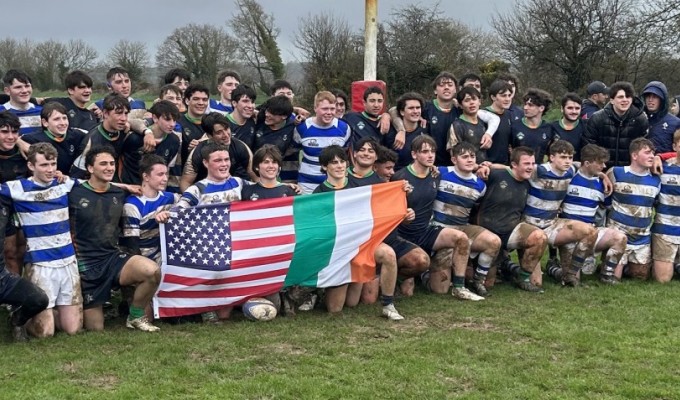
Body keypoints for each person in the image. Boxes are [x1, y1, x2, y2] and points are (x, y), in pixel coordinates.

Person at [69, 145, 161, 332]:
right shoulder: (73, 192)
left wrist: (125, 186)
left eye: (112, 163)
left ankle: (135, 316)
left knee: (151, 271)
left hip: (112, 257)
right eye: (103, 164)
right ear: (90, 168)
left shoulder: (119, 193)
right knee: (95, 328)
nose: (109, 167)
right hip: (86, 264)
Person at [313, 145, 405, 320]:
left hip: (363, 244)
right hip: (338, 251)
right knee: (337, 308)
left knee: (388, 255)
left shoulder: (357, 185)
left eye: (342, 162)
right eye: (334, 163)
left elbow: (382, 204)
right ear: (325, 167)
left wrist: (402, 194)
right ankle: (319, 292)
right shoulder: (319, 193)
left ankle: (388, 305)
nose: (339, 166)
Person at [0, 143, 83, 337]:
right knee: (45, 333)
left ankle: (53, 311)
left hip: (68, 261)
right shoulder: (16, 188)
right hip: (40, 263)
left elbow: (96, 184)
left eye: (53, 164)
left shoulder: (64, 183)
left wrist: (129, 186)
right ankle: (20, 317)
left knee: (72, 329)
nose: (50, 169)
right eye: (44, 165)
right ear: (31, 166)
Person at [391, 135, 482, 300]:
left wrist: (484, 167)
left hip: (426, 231)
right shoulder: (400, 177)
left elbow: (460, 170)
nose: (430, 155)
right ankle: (396, 277)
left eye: (433, 151)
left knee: (461, 238)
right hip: (403, 235)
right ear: (414, 154)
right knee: (409, 289)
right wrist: (403, 214)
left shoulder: (436, 174)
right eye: (425, 152)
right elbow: (389, 210)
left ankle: (459, 287)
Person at [519, 140, 598, 286]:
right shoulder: (538, 170)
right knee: (536, 283)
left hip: (551, 224)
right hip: (530, 225)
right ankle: (517, 271)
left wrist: (604, 177)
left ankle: (570, 274)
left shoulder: (571, 170)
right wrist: (486, 166)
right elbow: (513, 168)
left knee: (590, 232)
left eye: (570, 157)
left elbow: (587, 168)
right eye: (562, 157)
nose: (567, 161)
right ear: (552, 157)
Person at [432, 142, 501, 296]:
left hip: (462, 228)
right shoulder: (440, 173)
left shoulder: (480, 185)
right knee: (439, 290)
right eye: (464, 157)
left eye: (472, 156)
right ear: (454, 160)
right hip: (439, 229)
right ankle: (426, 273)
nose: (470, 160)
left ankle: (478, 281)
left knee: (493, 241)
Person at [475, 147, 548, 292]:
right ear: (514, 164)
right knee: (488, 284)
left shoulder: (529, 182)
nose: (530, 167)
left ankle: (523, 278)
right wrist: (482, 166)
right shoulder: (495, 174)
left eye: (533, 164)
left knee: (539, 237)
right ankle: (500, 267)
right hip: (487, 233)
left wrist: (602, 176)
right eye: (526, 163)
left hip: (510, 232)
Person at [554, 144, 627, 284]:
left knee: (620, 237)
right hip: (569, 233)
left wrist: (604, 177)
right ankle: (554, 270)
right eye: (600, 163)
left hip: (591, 232)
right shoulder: (570, 175)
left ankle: (607, 275)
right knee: (571, 280)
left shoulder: (602, 184)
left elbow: (608, 206)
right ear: (587, 163)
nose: (604, 166)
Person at [606, 138, 660, 281]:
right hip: (619, 235)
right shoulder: (616, 173)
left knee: (640, 277)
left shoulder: (657, 180)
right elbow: (604, 200)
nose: (652, 156)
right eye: (647, 153)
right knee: (613, 278)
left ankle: (629, 266)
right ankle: (611, 264)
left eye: (653, 153)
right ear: (634, 156)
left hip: (642, 237)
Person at [0, 193, 48, 341]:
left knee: (39, 299)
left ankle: (17, 321)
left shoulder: (4, 204)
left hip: (2, 278)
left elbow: (10, 247)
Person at [122, 155, 180, 265]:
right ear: (146, 176)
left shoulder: (171, 198)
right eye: (160, 174)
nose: (165, 179)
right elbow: (132, 246)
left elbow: (190, 207)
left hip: (167, 255)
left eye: (166, 174)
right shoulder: (132, 205)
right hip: (144, 259)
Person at [293, 91, 351, 193]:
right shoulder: (302, 127)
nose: (329, 112)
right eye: (325, 109)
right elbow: (293, 150)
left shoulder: (344, 128)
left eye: (332, 109)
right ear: (315, 108)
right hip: (307, 186)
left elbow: (345, 154)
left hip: (335, 185)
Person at [180, 112, 254, 191]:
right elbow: (185, 183)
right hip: (204, 192)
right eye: (219, 132)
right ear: (209, 135)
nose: (226, 135)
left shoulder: (241, 147)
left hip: (231, 190)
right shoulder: (198, 152)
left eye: (226, 129)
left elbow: (255, 176)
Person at [583, 81, 649, 168]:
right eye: (620, 97)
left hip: (630, 171)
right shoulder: (597, 118)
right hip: (602, 169)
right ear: (612, 100)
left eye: (628, 96)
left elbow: (644, 147)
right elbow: (589, 146)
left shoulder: (640, 119)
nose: (625, 100)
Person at [70, 94, 131, 181]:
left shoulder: (122, 128)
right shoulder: (91, 142)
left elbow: (137, 122)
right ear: (105, 113)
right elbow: (76, 177)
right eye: (119, 113)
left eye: (126, 113)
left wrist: (147, 132)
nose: (124, 118)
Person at [120, 101, 180, 185]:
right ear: (155, 118)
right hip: (130, 188)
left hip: (154, 190)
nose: (172, 124)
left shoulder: (174, 141)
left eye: (174, 120)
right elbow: (120, 160)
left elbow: (166, 170)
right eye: (167, 119)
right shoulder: (134, 138)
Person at [20, 102, 86, 175]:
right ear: (45, 122)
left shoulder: (77, 135)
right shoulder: (31, 139)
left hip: (71, 180)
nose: (62, 123)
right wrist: (18, 141)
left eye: (64, 118)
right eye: (56, 119)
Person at [0, 111, 29, 275]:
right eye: (4, 132)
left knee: (23, 250)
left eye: (14, 132)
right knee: (9, 252)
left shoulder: (25, 151)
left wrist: (21, 143)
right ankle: (13, 290)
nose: (10, 137)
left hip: (23, 207)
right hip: (3, 210)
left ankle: (26, 287)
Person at [651, 130, 680, 282]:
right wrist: (658, 157)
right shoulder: (662, 168)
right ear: (675, 146)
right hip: (666, 228)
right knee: (662, 280)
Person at [252, 95, 298, 182]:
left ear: (284, 116)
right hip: (254, 175)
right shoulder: (260, 119)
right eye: (267, 110)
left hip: (278, 175)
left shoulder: (292, 126)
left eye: (272, 113)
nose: (267, 114)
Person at [448, 86, 493, 163]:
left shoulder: (483, 123)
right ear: (461, 105)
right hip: (466, 170)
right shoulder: (457, 125)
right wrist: (475, 166)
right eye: (467, 100)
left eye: (474, 99)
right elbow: (453, 152)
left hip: (485, 168)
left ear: (479, 101)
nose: (471, 102)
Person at [511, 88, 555, 164]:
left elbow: (551, 153)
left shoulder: (549, 128)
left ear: (541, 108)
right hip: (518, 171)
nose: (525, 108)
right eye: (525, 104)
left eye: (530, 105)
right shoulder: (514, 127)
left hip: (538, 172)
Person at [384, 92, 427, 171]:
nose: (415, 111)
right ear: (402, 112)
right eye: (411, 108)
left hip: (419, 178)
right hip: (396, 179)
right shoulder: (390, 132)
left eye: (418, 108)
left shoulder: (426, 129)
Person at [641, 81, 680, 154]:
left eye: (655, 97)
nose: (650, 100)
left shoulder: (676, 123)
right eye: (648, 96)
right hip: (640, 164)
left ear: (662, 100)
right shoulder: (638, 119)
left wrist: (662, 157)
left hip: (665, 164)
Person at [343, 86, 386, 151]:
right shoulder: (351, 117)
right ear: (364, 103)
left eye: (380, 101)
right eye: (372, 101)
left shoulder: (386, 123)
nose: (376, 105)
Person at [0, 69, 42, 135]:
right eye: (18, 87)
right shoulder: (1, 112)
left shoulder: (42, 111)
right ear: (7, 91)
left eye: (27, 86)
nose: (24, 90)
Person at [485, 80, 516, 165]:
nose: (507, 99)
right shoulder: (483, 115)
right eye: (503, 96)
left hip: (506, 165)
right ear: (493, 97)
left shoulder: (509, 115)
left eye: (509, 95)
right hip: (487, 166)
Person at [178, 84, 210, 163]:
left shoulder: (212, 122)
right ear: (187, 101)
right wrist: (189, 150)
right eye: (196, 99)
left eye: (204, 100)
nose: (201, 103)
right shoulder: (177, 122)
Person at [552, 93, 585, 162]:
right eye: (570, 108)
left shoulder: (586, 126)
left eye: (577, 108)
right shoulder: (552, 127)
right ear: (562, 109)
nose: (574, 111)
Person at [226, 84, 257, 149]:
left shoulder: (254, 120)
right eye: (245, 101)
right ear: (234, 103)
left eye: (253, 102)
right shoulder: (223, 123)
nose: (250, 106)